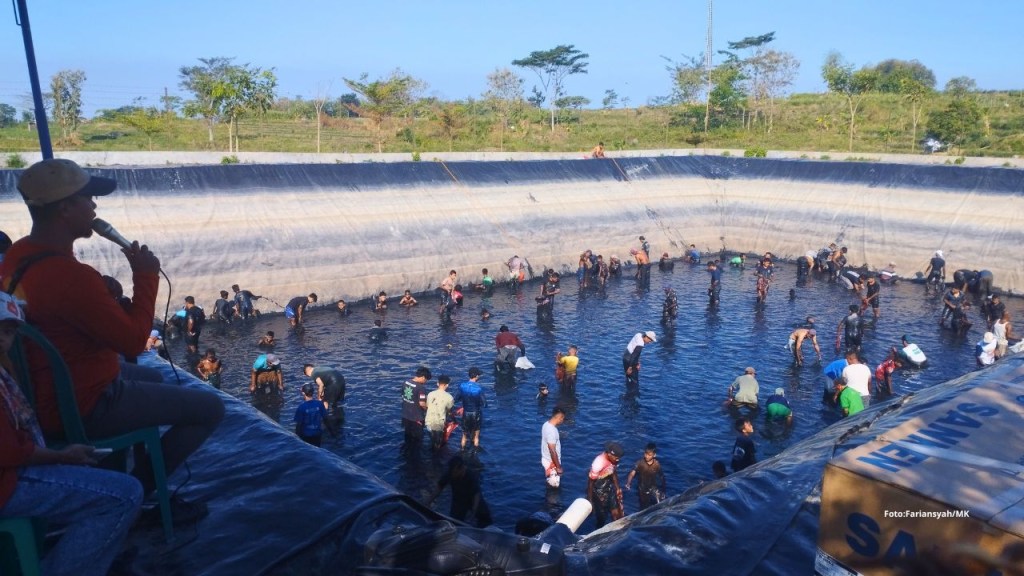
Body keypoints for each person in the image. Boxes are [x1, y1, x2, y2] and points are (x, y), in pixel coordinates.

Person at [0, 158, 224, 513]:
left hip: (38, 388)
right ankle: (134, 493)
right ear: (65, 208)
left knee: (151, 374)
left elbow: (56, 310)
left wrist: (98, 295)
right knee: (209, 407)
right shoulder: (72, 277)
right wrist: (146, 275)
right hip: (80, 402)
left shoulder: (17, 255)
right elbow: (134, 342)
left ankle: (112, 471)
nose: (94, 206)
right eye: (88, 198)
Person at [0, 292, 143, 576]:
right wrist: (61, 456)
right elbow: (9, 453)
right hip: (7, 481)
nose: (2, 338)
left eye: (7, 331)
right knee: (125, 495)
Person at [427, 455, 492, 527]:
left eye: (455, 472)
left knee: (485, 519)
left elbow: (476, 495)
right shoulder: (450, 473)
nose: (452, 474)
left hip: (472, 498)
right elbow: (440, 487)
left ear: (462, 469)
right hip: (459, 499)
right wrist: (429, 501)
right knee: (454, 522)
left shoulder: (471, 475)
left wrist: (473, 511)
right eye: (451, 472)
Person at [587, 442, 624, 528]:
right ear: (609, 454)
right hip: (598, 490)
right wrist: (590, 500)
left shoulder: (613, 460)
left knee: (616, 513)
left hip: (608, 486)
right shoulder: (598, 463)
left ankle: (617, 531)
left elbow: (613, 472)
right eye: (616, 458)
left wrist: (617, 488)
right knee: (602, 517)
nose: (618, 460)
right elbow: (590, 483)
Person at [303, 364, 346, 436]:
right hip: (341, 380)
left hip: (333, 382)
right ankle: (339, 419)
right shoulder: (320, 368)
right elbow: (324, 383)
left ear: (306, 373)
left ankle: (324, 418)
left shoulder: (313, 373)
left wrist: (319, 397)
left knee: (325, 402)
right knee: (336, 402)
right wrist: (322, 392)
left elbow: (321, 384)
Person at [624, 442, 666, 511]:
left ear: (654, 455)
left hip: (653, 488)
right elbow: (632, 473)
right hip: (642, 489)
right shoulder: (640, 463)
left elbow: (662, 477)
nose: (646, 456)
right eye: (645, 454)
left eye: (649, 455)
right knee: (644, 508)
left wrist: (663, 490)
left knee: (660, 504)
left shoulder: (657, 464)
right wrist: (628, 483)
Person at [455, 367, 486, 450]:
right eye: (478, 375)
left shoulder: (462, 386)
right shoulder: (479, 388)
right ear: (476, 376)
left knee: (464, 436)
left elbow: (456, 399)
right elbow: (485, 404)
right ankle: (475, 454)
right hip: (476, 413)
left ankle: (462, 451)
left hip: (466, 413)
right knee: (476, 437)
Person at [401, 367, 430, 451]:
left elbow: (402, 396)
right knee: (417, 442)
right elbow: (422, 403)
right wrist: (427, 409)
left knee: (408, 438)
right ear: (423, 377)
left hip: (405, 416)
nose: (425, 382)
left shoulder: (405, 382)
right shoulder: (421, 388)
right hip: (416, 418)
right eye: (426, 380)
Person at [425, 375, 455, 451]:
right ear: (447, 385)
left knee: (432, 441)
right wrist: (454, 421)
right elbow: (449, 411)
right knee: (438, 445)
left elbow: (428, 406)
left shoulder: (430, 394)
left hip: (428, 422)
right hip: (439, 423)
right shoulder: (449, 397)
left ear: (437, 384)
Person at [294, 383, 327, 447]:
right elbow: (326, 419)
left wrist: (296, 437)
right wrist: (332, 432)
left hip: (306, 435)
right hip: (317, 434)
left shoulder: (301, 407)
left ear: (303, 393)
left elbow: (298, 425)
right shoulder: (319, 404)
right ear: (313, 392)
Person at [541, 407, 565, 487]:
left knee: (549, 485)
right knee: (554, 489)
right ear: (560, 418)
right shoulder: (552, 431)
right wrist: (558, 467)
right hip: (552, 464)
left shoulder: (546, 424)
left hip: (546, 460)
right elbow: (552, 450)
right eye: (563, 418)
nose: (562, 421)